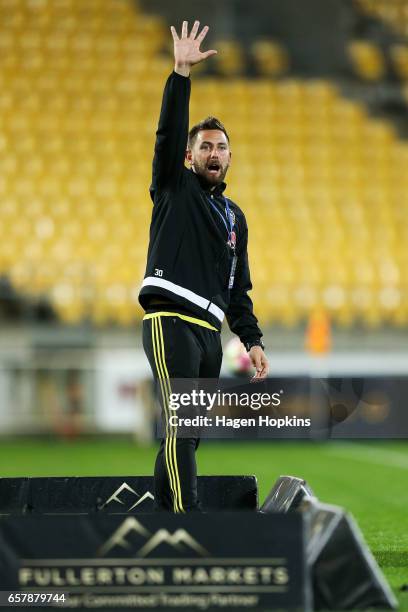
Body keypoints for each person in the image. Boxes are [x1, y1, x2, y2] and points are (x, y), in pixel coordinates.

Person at [139, 20, 269, 512]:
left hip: (210, 333)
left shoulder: (235, 217)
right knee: (179, 425)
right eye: (204, 147)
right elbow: (167, 134)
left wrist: (252, 340)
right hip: (170, 321)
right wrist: (181, 74)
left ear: (230, 157)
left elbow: (239, 290)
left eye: (220, 147)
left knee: (188, 436)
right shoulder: (174, 189)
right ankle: (187, 524)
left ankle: (163, 517)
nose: (213, 153)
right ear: (189, 157)